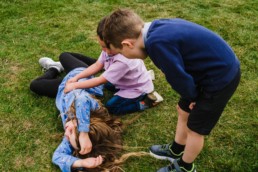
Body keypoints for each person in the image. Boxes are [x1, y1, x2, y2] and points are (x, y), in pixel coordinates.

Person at [102, 9, 241, 172]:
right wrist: (190, 97)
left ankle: (185, 167)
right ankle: (176, 149)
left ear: (127, 44)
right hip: (205, 72)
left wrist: (193, 98)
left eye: (121, 53)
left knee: (195, 128)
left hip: (219, 79)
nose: (124, 56)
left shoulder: (157, 44)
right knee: (183, 110)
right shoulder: (153, 30)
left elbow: (178, 77)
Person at [30, 56, 148, 172]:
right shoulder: (91, 109)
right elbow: (81, 99)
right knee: (64, 55)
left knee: (35, 85)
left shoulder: (74, 140)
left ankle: (54, 68)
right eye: (70, 131)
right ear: (81, 124)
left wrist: (81, 163)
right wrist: (83, 132)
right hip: (78, 77)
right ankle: (99, 64)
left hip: (61, 89)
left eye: (68, 136)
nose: (66, 132)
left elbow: (57, 156)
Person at [64, 17, 163, 115]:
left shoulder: (124, 61)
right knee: (106, 85)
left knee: (112, 107)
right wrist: (77, 77)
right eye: (102, 46)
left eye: (107, 47)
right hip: (125, 81)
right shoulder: (110, 48)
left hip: (135, 88)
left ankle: (145, 102)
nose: (105, 51)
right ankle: (142, 78)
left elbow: (99, 80)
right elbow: (97, 65)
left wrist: (74, 85)